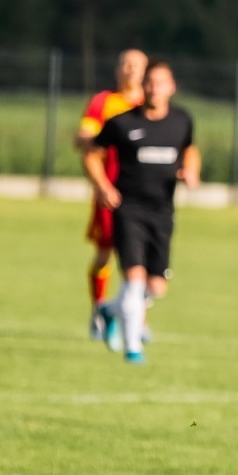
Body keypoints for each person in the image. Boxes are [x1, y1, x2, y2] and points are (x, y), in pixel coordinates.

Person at [83, 59, 200, 365]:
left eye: (161, 83)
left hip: (163, 212)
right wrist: (103, 186)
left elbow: (189, 150)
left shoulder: (181, 121)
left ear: (171, 87)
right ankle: (133, 348)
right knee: (134, 280)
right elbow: (91, 154)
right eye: (149, 83)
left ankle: (109, 310)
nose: (154, 88)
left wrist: (191, 170)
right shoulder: (122, 123)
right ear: (142, 86)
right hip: (128, 210)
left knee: (155, 287)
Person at [75, 48, 147, 339]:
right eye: (125, 64)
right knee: (105, 253)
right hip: (110, 190)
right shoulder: (104, 102)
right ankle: (99, 311)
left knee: (143, 263)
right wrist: (101, 139)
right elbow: (83, 137)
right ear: (117, 69)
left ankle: (137, 320)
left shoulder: (150, 104)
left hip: (143, 194)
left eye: (136, 65)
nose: (130, 69)